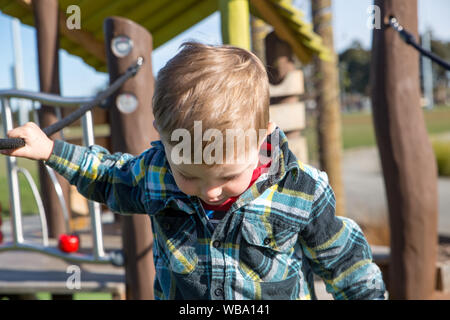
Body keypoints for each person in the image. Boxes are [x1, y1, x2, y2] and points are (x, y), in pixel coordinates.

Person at [1, 42, 386, 300]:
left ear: (262, 138)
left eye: (226, 176)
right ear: (164, 142)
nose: (210, 192)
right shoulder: (158, 174)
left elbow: (346, 265)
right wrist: (51, 150)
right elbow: (107, 176)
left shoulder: (300, 191)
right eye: (190, 176)